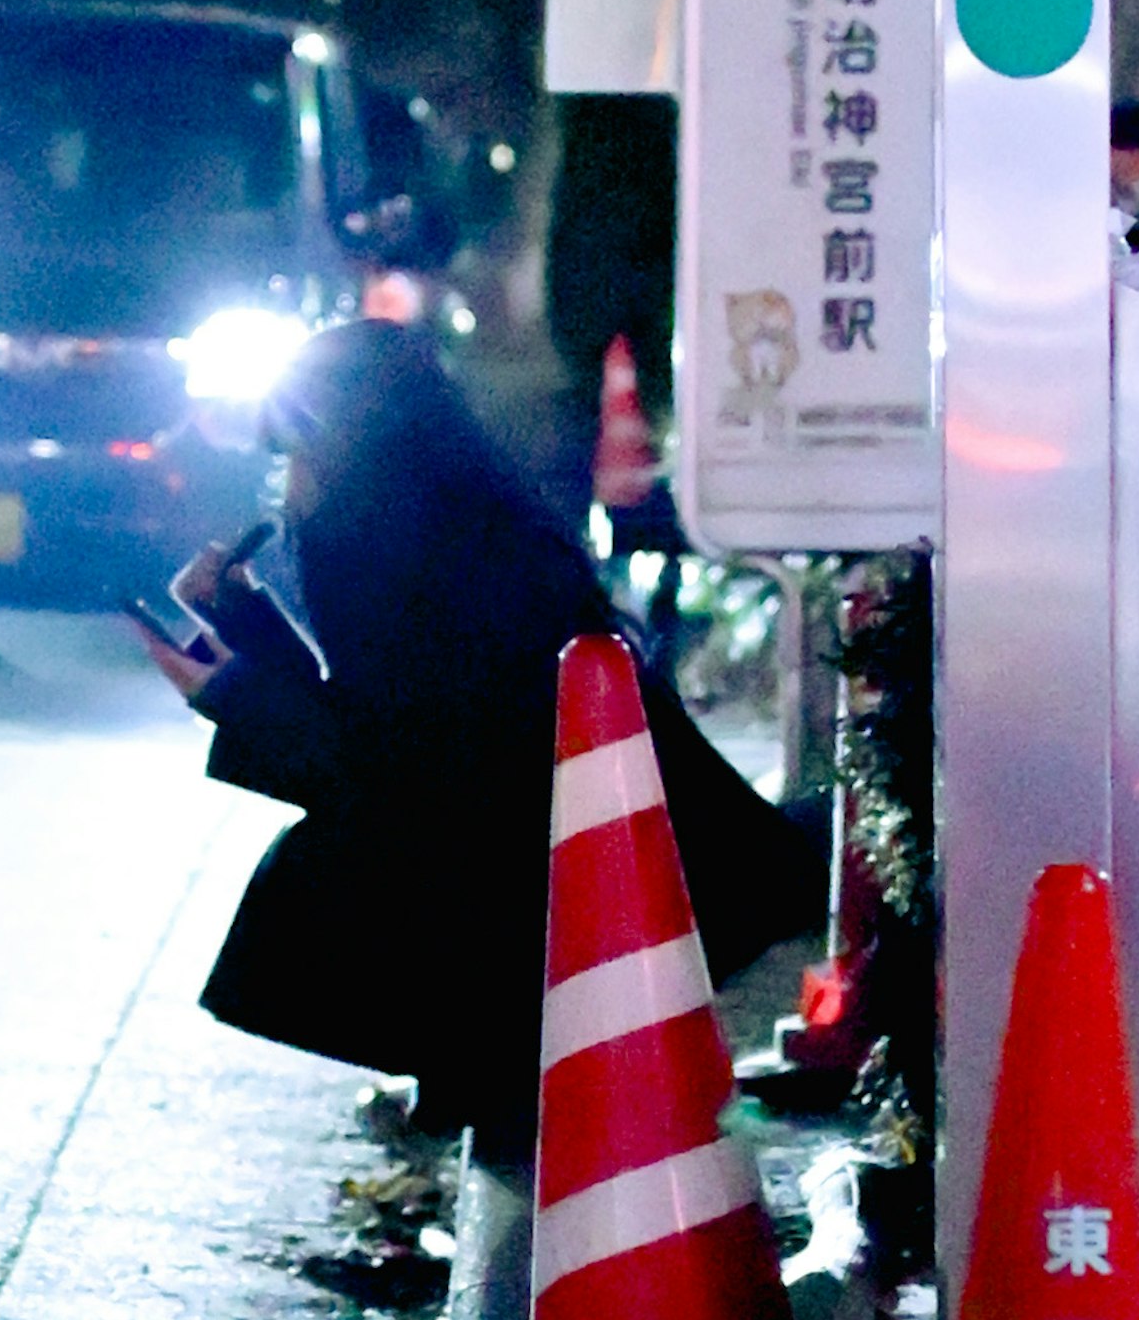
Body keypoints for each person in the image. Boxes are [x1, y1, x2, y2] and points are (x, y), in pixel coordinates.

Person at [140, 316, 825, 1149]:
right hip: (554, 837)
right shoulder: (441, 520)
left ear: (346, 447)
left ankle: (483, 1066)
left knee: (318, 878)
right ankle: (472, 1073)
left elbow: (407, 770)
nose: (283, 482)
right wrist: (241, 620)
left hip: (556, 867)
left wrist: (232, 695)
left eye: (292, 454)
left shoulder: (398, 545)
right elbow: (381, 715)